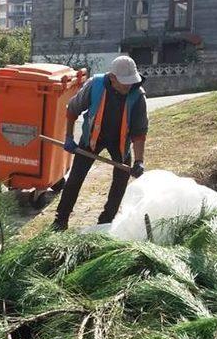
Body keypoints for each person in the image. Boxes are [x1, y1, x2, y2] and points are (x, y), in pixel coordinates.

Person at [53, 55, 148, 231]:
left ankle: (105, 222)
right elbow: (72, 110)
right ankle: (60, 220)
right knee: (75, 179)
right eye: (124, 82)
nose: (129, 85)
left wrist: (139, 161)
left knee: (120, 181)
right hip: (92, 138)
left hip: (120, 142)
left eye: (131, 81)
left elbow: (139, 133)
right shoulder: (94, 85)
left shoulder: (138, 96)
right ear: (112, 78)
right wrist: (69, 137)